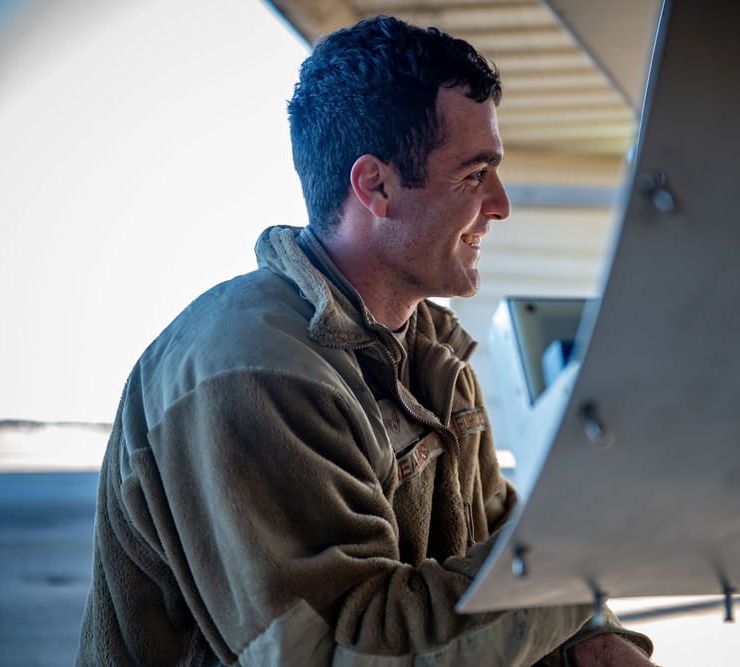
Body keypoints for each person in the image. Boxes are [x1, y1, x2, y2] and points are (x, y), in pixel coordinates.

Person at [77, 15, 655, 666]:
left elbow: (496, 559)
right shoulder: (253, 372)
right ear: (375, 186)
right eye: (474, 174)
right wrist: (587, 549)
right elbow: (342, 653)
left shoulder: (433, 354)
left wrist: (593, 640)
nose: (500, 203)